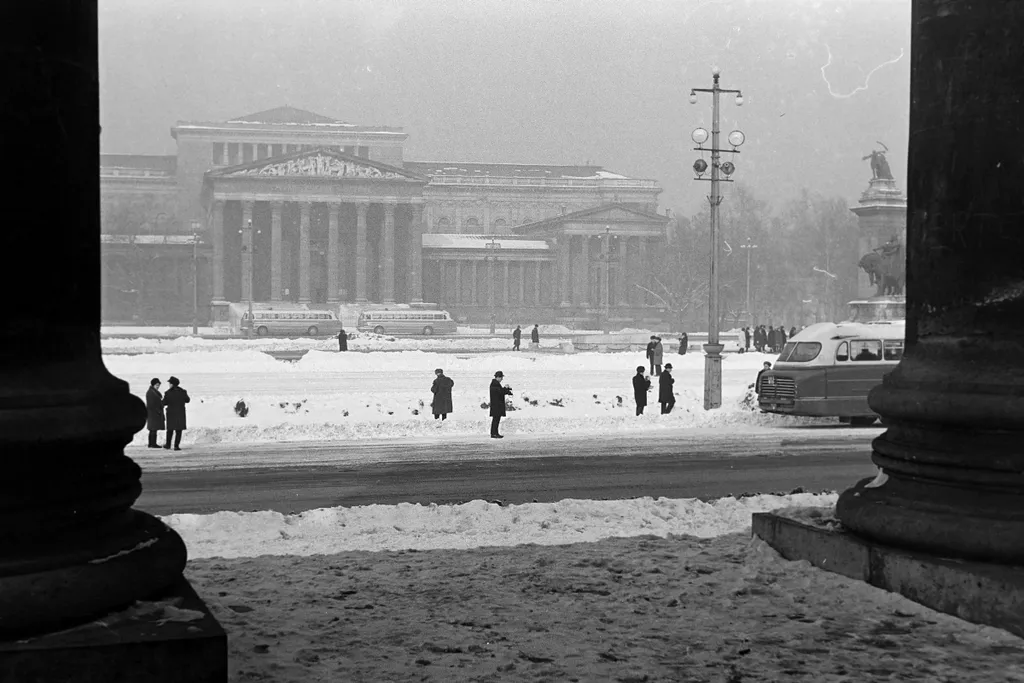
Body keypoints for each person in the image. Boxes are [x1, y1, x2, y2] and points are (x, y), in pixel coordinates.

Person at [162, 376, 190, 451]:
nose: (169, 384)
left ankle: (168, 445)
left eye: (169, 383)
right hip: (180, 413)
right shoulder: (183, 391)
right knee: (179, 430)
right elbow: (187, 400)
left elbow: (164, 403)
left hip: (171, 414)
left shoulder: (167, 393)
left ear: (172, 384)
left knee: (170, 430)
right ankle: (176, 446)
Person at [489, 371, 513, 438]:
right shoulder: (495, 384)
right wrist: (506, 389)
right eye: (501, 377)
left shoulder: (495, 384)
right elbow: (500, 392)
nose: (502, 379)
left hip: (496, 405)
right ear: (498, 377)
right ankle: (494, 434)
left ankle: (495, 433)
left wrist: (506, 390)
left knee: (496, 420)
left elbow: (500, 391)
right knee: (496, 420)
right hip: (496, 405)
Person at [145, 377, 165, 448]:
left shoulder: (152, 392)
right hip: (153, 414)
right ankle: (152, 444)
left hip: (153, 414)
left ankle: (151, 444)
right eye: (156, 385)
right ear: (153, 385)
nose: (158, 386)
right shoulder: (151, 392)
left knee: (153, 429)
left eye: (158, 385)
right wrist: (158, 411)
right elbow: (151, 404)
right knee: (153, 429)